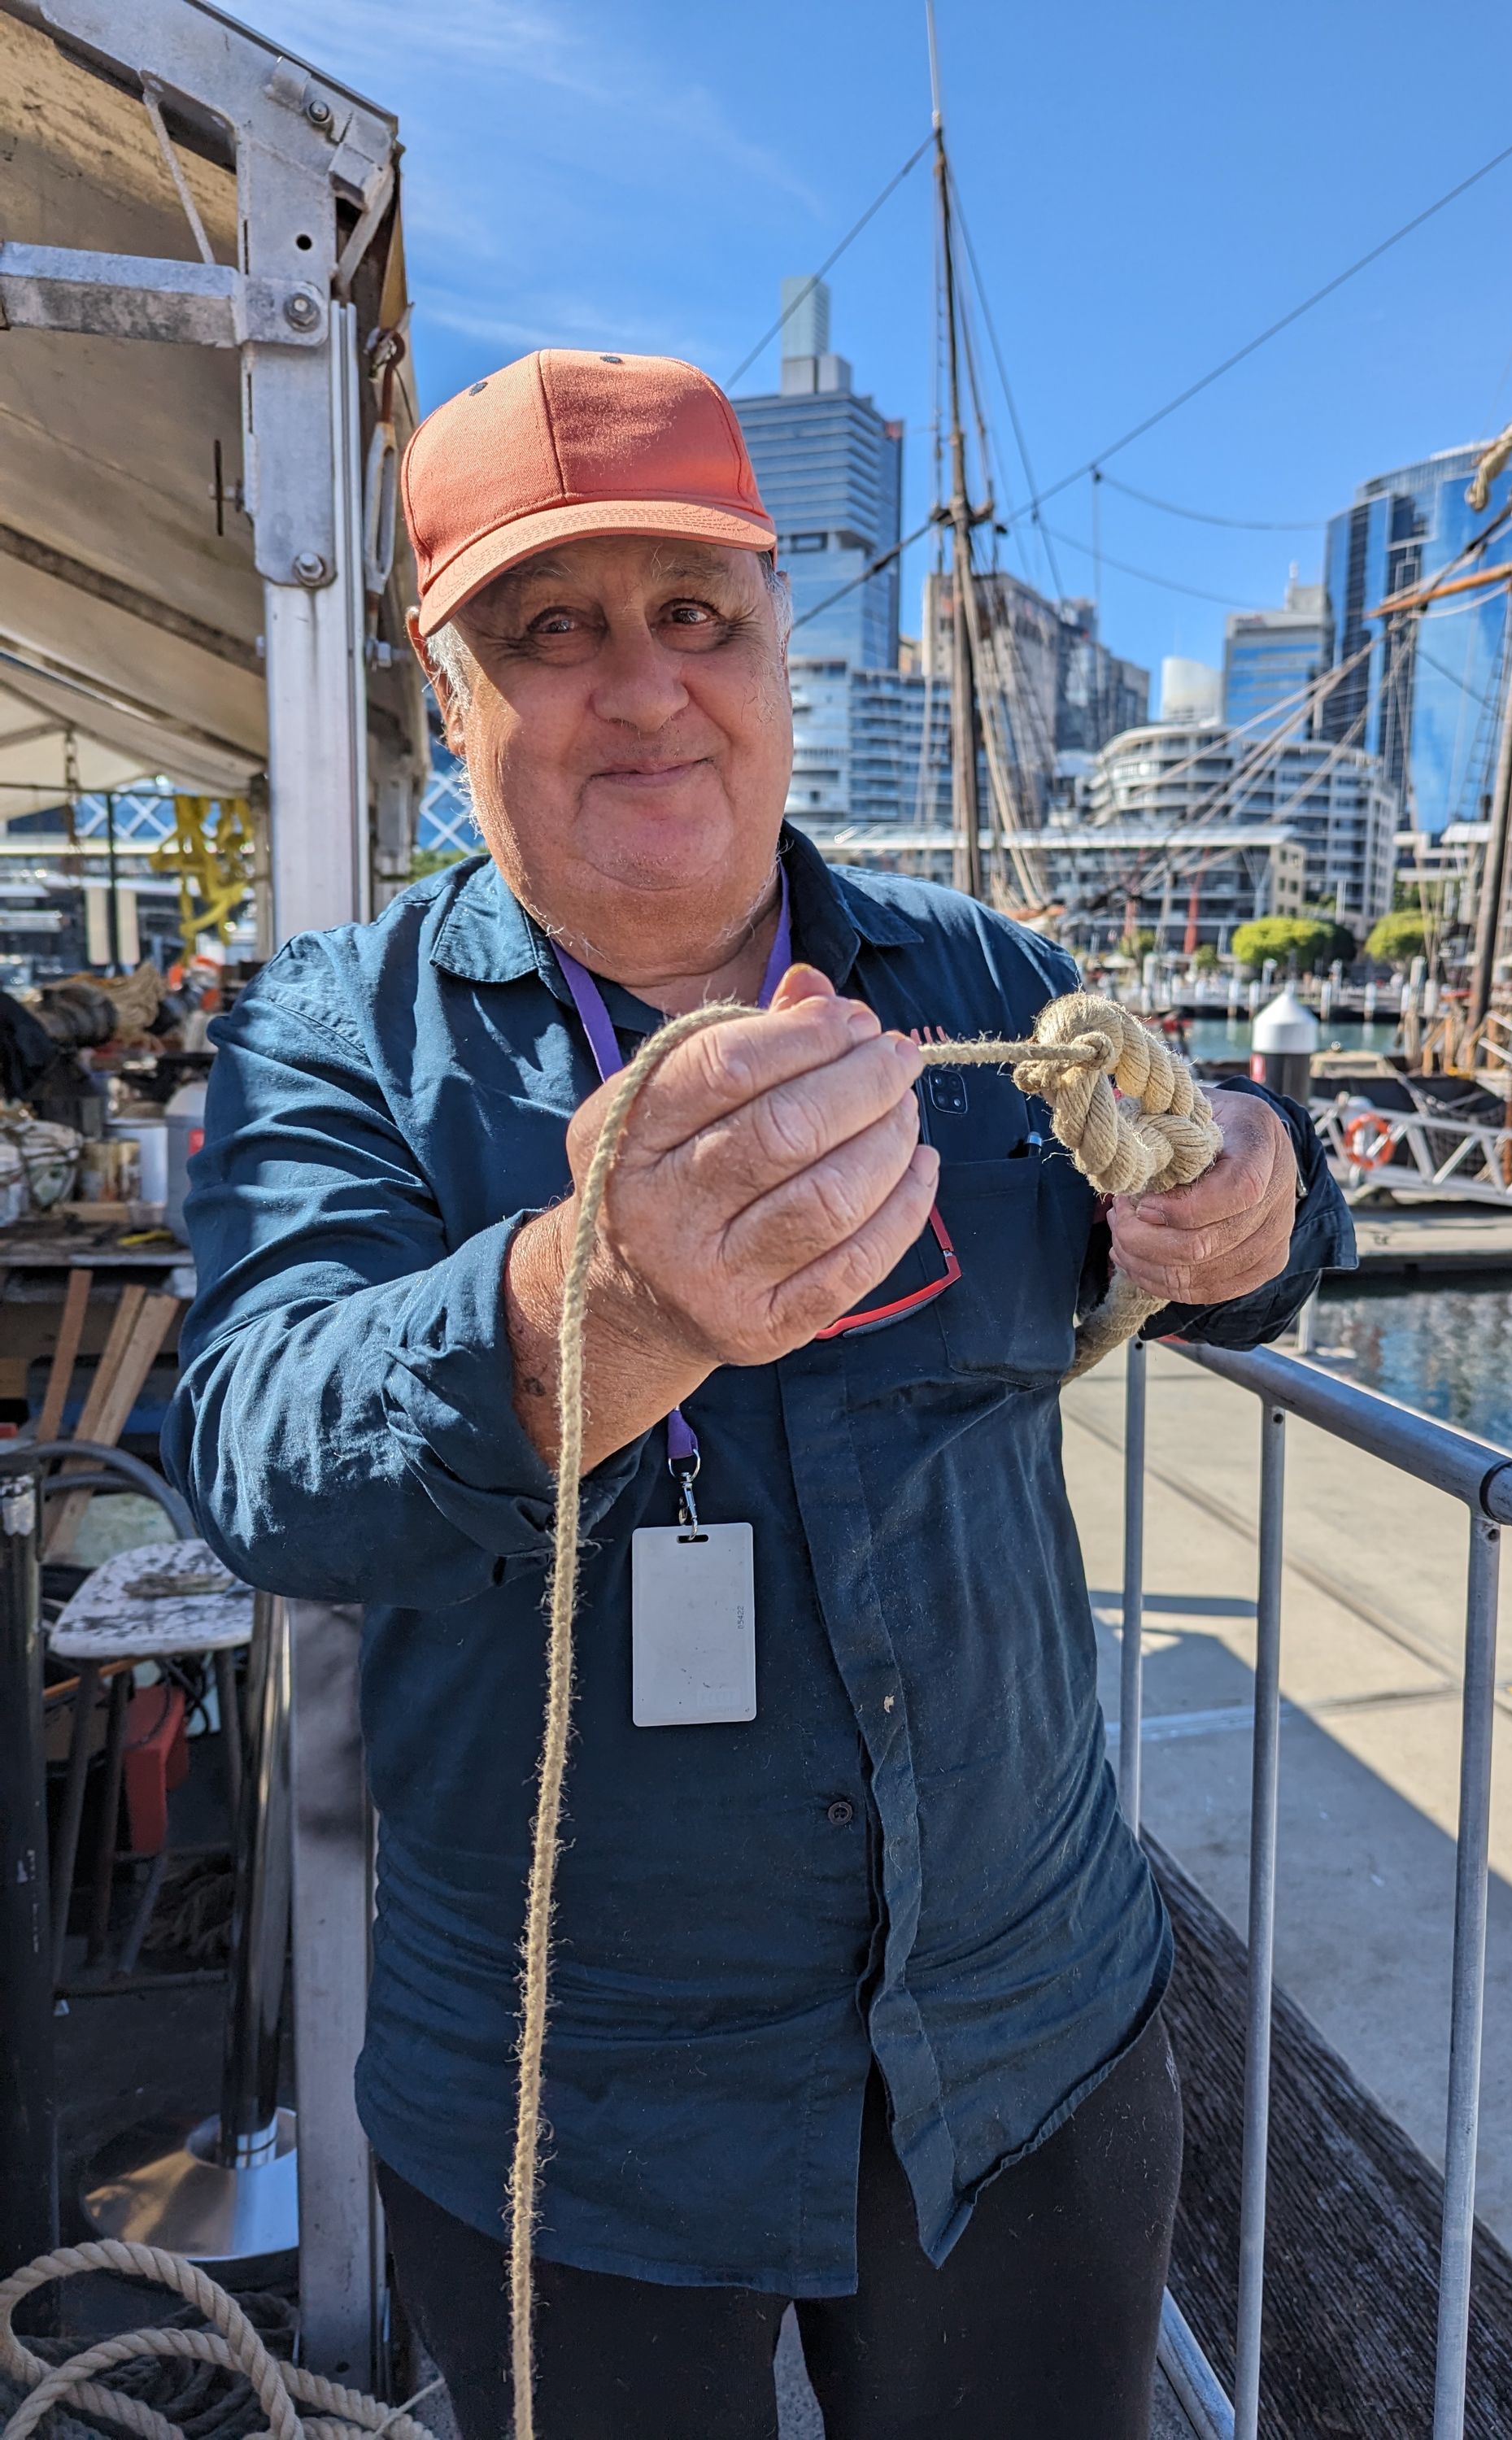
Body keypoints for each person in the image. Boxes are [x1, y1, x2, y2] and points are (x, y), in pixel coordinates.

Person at [165, 350, 1354, 2440]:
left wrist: (1253, 1210)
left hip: (1026, 2046)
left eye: (693, 614)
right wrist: (592, 1309)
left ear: (777, 657)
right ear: (452, 701)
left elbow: (1269, 1232)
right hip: (564, 2111)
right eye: (553, 629)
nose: (642, 686)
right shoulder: (324, 1040)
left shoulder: (983, 984)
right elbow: (257, 1455)